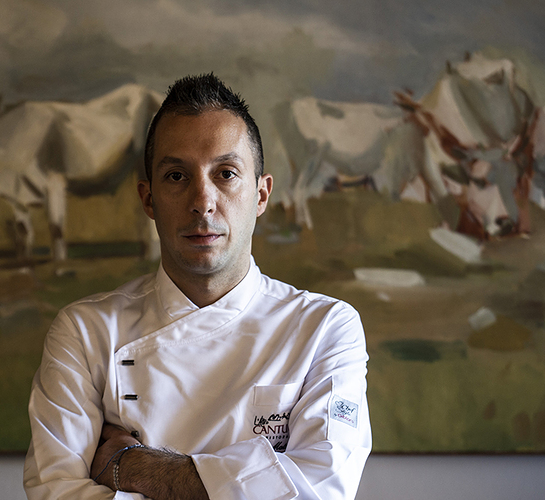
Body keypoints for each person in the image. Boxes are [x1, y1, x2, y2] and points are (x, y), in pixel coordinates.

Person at [23, 74, 371, 500]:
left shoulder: (325, 328)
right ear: (148, 200)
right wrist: (260, 482)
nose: (202, 201)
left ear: (261, 196)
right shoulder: (85, 332)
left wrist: (134, 467)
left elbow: (321, 490)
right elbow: (56, 492)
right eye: (176, 176)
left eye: (226, 173)